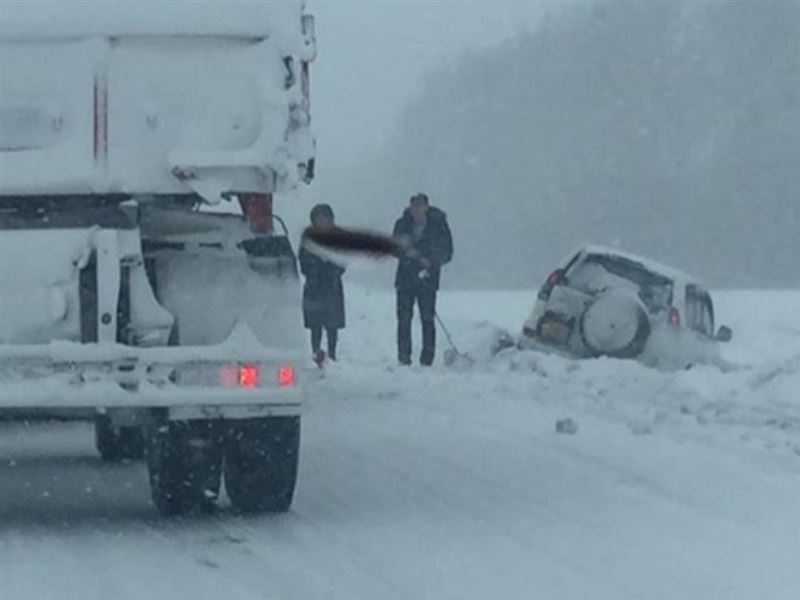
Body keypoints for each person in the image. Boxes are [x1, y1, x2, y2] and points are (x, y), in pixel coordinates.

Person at [393, 193, 453, 366]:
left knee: (427, 319)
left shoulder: (438, 225)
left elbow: (447, 251)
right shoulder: (402, 224)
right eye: (414, 206)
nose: (417, 210)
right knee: (404, 319)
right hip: (405, 279)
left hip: (428, 280)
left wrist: (431, 261)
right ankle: (403, 358)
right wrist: (409, 257)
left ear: (427, 207)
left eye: (420, 206)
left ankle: (427, 359)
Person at [299, 204, 346, 360]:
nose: (322, 220)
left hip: (332, 285)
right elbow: (303, 259)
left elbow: (342, 259)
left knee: (332, 325)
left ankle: (332, 354)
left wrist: (332, 271)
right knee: (315, 324)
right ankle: (316, 352)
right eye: (319, 217)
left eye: (325, 217)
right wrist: (313, 272)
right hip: (314, 285)